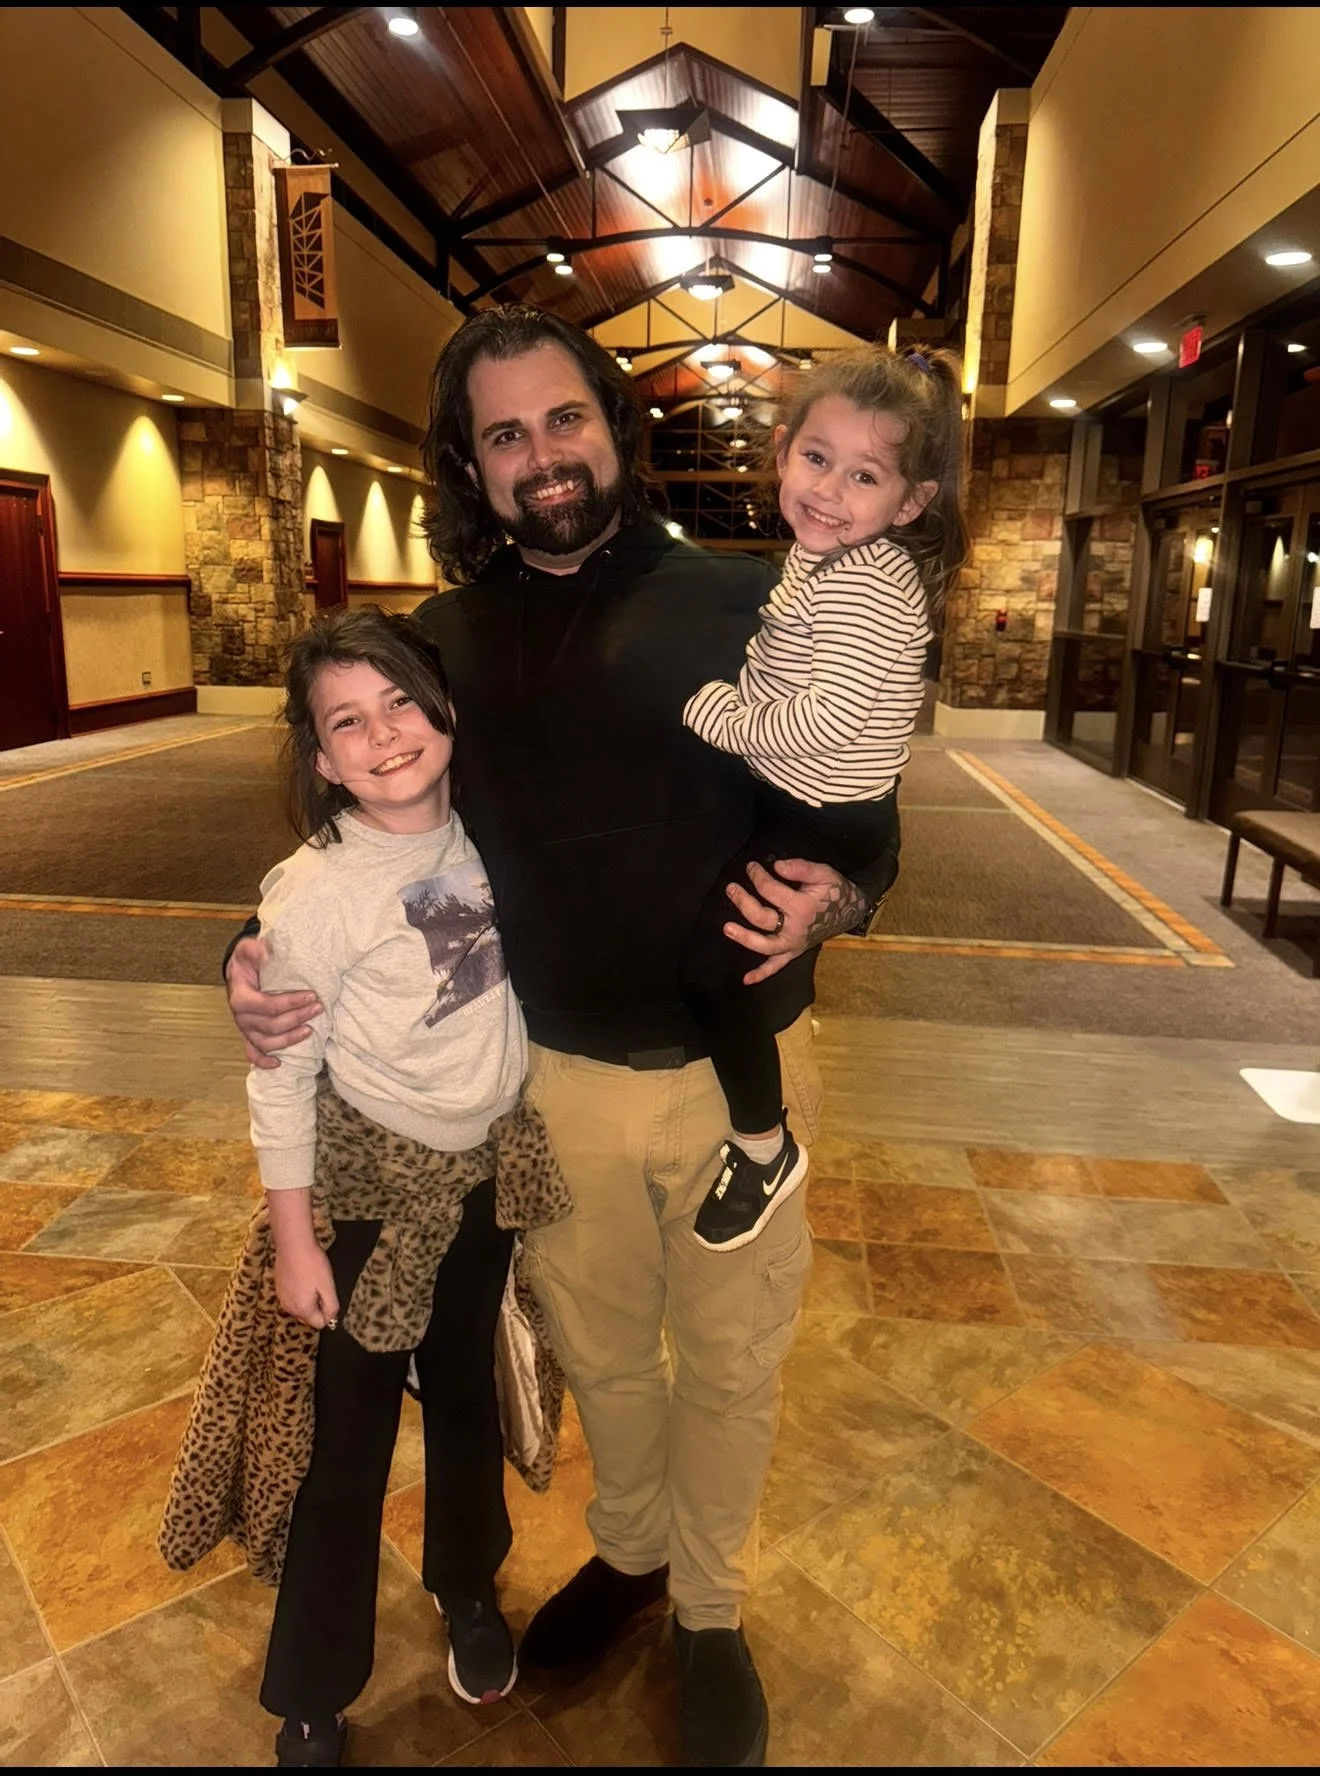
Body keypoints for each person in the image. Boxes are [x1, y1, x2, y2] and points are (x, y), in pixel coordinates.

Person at [226, 307, 898, 1770]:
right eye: (506, 433)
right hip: (554, 1078)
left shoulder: (757, 602)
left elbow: (863, 808)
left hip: (746, 1073)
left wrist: (840, 889)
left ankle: (709, 1611)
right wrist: (249, 952)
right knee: (603, 1355)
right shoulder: (444, 645)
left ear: (613, 424)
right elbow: (363, 831)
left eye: (565, 419)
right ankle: (640, 1551)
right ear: (472, 462)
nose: (542, 456)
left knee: (731, 1360)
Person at [201, 607, 566, 1768]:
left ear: (444, 705)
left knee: (463, 1401)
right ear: (320, 760)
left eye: (401, 700)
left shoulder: (490, 830)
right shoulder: (315, 892)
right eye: (347, 722)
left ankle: (468, 1589)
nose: (385, 734)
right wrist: (297, 1238)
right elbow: (280, 1074)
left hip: (476, 1187)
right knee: (345, 1444)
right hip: (370, 1203)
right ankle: (314, 1686)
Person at [679, 345, 967, 1254]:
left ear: (910, 502)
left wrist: (717, 713)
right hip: (817, 801)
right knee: (736, 958)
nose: (830, 491)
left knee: (714, 970)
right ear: (781, 452)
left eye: (865, 475)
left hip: (821, 812)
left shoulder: (868, 583)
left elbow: (827, 720)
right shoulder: (826, 561)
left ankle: (762, 1145)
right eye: (817, 459)